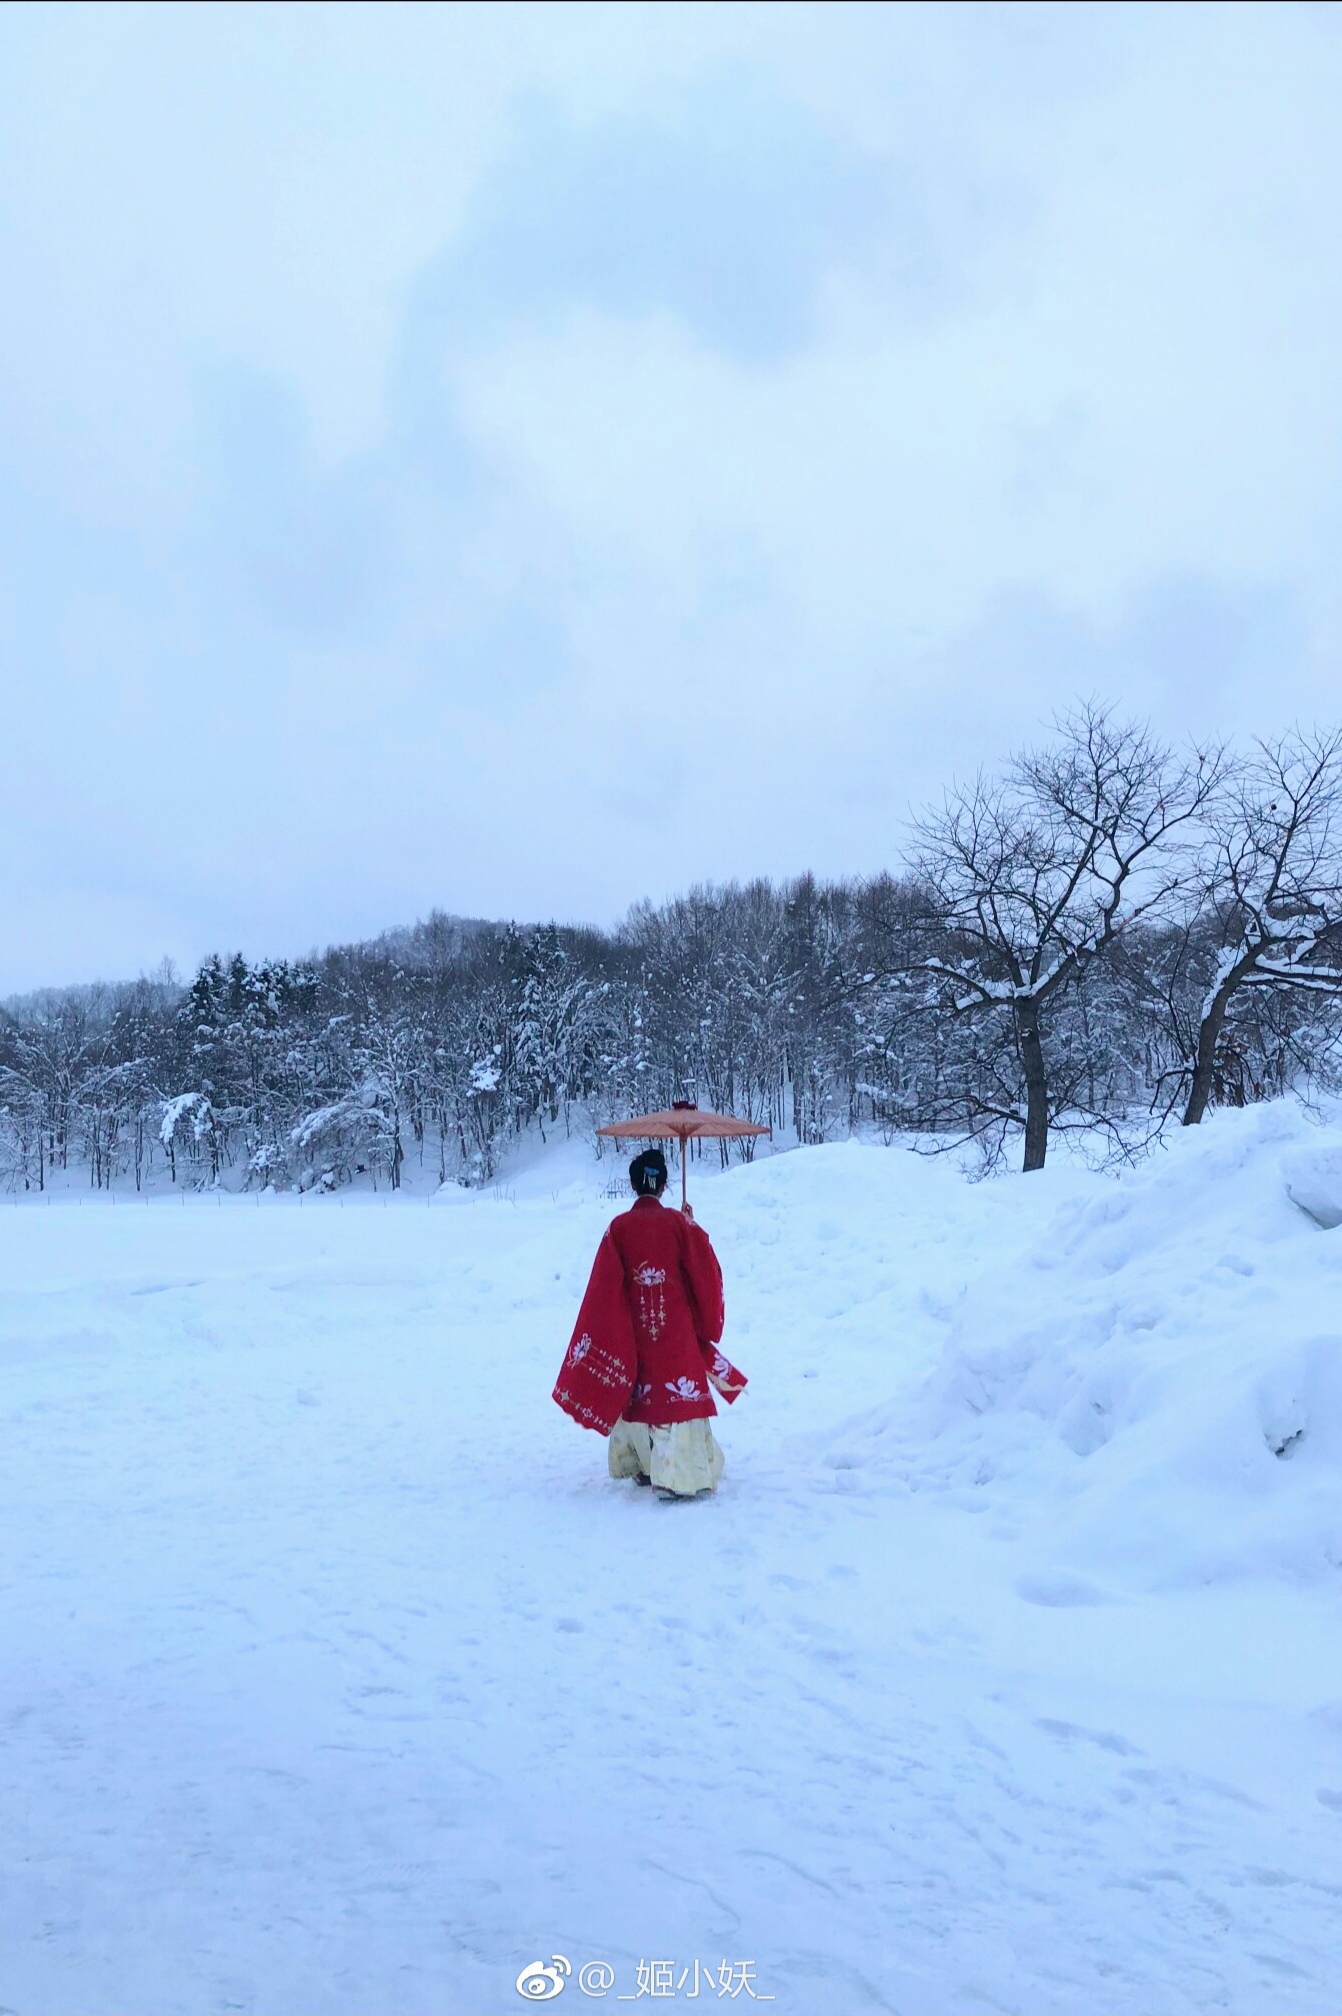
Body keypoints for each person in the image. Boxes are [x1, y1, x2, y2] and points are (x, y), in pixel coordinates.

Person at [552, 1147, 748, 1498]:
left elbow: (603, 1287)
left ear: (632, 1184)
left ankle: (641, 1463)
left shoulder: (618, 1228)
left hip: (635, 1331)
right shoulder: (677, 1224)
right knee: (677, 1397)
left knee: (638, 1393)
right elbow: (703, 1273)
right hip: (675, 1330)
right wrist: (692, 1225)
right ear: (664, 1185)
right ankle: (681, 1477)